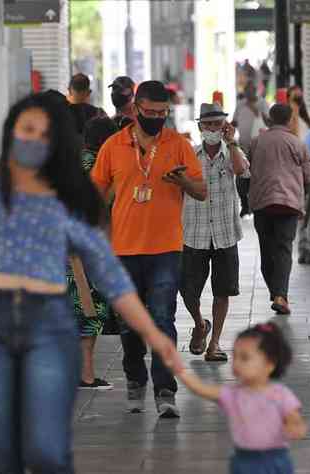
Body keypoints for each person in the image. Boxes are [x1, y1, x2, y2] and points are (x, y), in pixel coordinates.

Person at [0, 93, 181, 473]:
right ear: (11, 130)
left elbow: (108, 271)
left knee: (48, 452)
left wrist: (154, 334)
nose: (33, 141)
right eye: (27, 129)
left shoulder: (67, 195)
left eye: (44, 135)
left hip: (48, 325)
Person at [91, 80, 206, 418]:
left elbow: (201, 190)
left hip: (166, 249)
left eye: (163, 113)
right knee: (129, 325)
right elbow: (94, 194)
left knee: (162, 319)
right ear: (136, 109)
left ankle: (165, 391)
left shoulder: (179, 144)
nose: (157, 118)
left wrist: (183, 182)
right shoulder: (113, 146)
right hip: (123, 249)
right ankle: (135, 379)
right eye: (151, 112)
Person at [176, 323, 307, 474]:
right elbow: (199, 388)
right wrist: (179, 369)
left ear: (270, 364)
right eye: (235, 357)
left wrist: (295, 427)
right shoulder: (232, 394)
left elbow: (295, 419)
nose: (236, 363)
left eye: (244, 358)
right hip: (243, 461)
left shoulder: (281, 395)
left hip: (275, 460)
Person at [181, 103, 250, 362]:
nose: (213, 129)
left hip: (225, 233)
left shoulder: (232, 152)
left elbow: (242, 171)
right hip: (194, 232)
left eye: (217, 124)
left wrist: (232, 143)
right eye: (208, 124)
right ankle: (200, 325)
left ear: (225, 126)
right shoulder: (190, 154)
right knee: (188, 291)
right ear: (200, 126)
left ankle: (215, 343)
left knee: (223, 290)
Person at [66, 116, 120, 390]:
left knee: (80, 310)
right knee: (88, 310)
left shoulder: (76, 163)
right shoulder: (96, 165)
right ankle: (85, 374)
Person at [248, 104, 310, 316]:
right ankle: (280, 295)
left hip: (262, 203)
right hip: (288, 204)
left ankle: (276, 293)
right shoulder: (296, 143)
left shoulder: (257, 142)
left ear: (270, 119)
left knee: (267, 250)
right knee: (283, 249)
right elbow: (309, 176)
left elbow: (248, 171)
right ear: (290, 119)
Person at [287, 86, 310, 265]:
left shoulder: (307, 118)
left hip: (309, 169)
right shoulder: (290, 116)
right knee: (308, 212)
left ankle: (308, 248)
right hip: (301, 169)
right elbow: (293, 135)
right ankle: (305, 248)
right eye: (295, 97)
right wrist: (292, 106)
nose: (299, 99)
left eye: (300, 96)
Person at [232, 85, 270, 218]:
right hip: (243, 146)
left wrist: (254, 108)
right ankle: (244, 204)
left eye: (250, 92)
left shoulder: (263, 103)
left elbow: (268, 121)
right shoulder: (240, 104)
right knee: (241, 177)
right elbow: (235, 122)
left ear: (255, 92)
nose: (248, 94)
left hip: (259, 147)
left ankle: (256, 205)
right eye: (246, 92)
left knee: (257, 176)